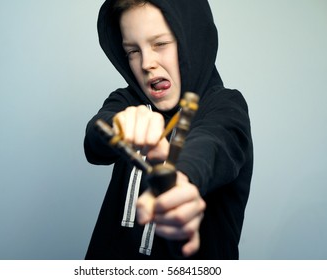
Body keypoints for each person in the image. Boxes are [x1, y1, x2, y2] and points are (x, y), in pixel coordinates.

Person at [84, 0, 253, 260]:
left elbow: (213, 143)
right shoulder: (127, 100)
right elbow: (96, 135)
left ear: (192, 39)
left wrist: (181, 177)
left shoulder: (226, 106)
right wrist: (119, 125)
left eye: (160, 44)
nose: (146, 63)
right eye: (132, 51)